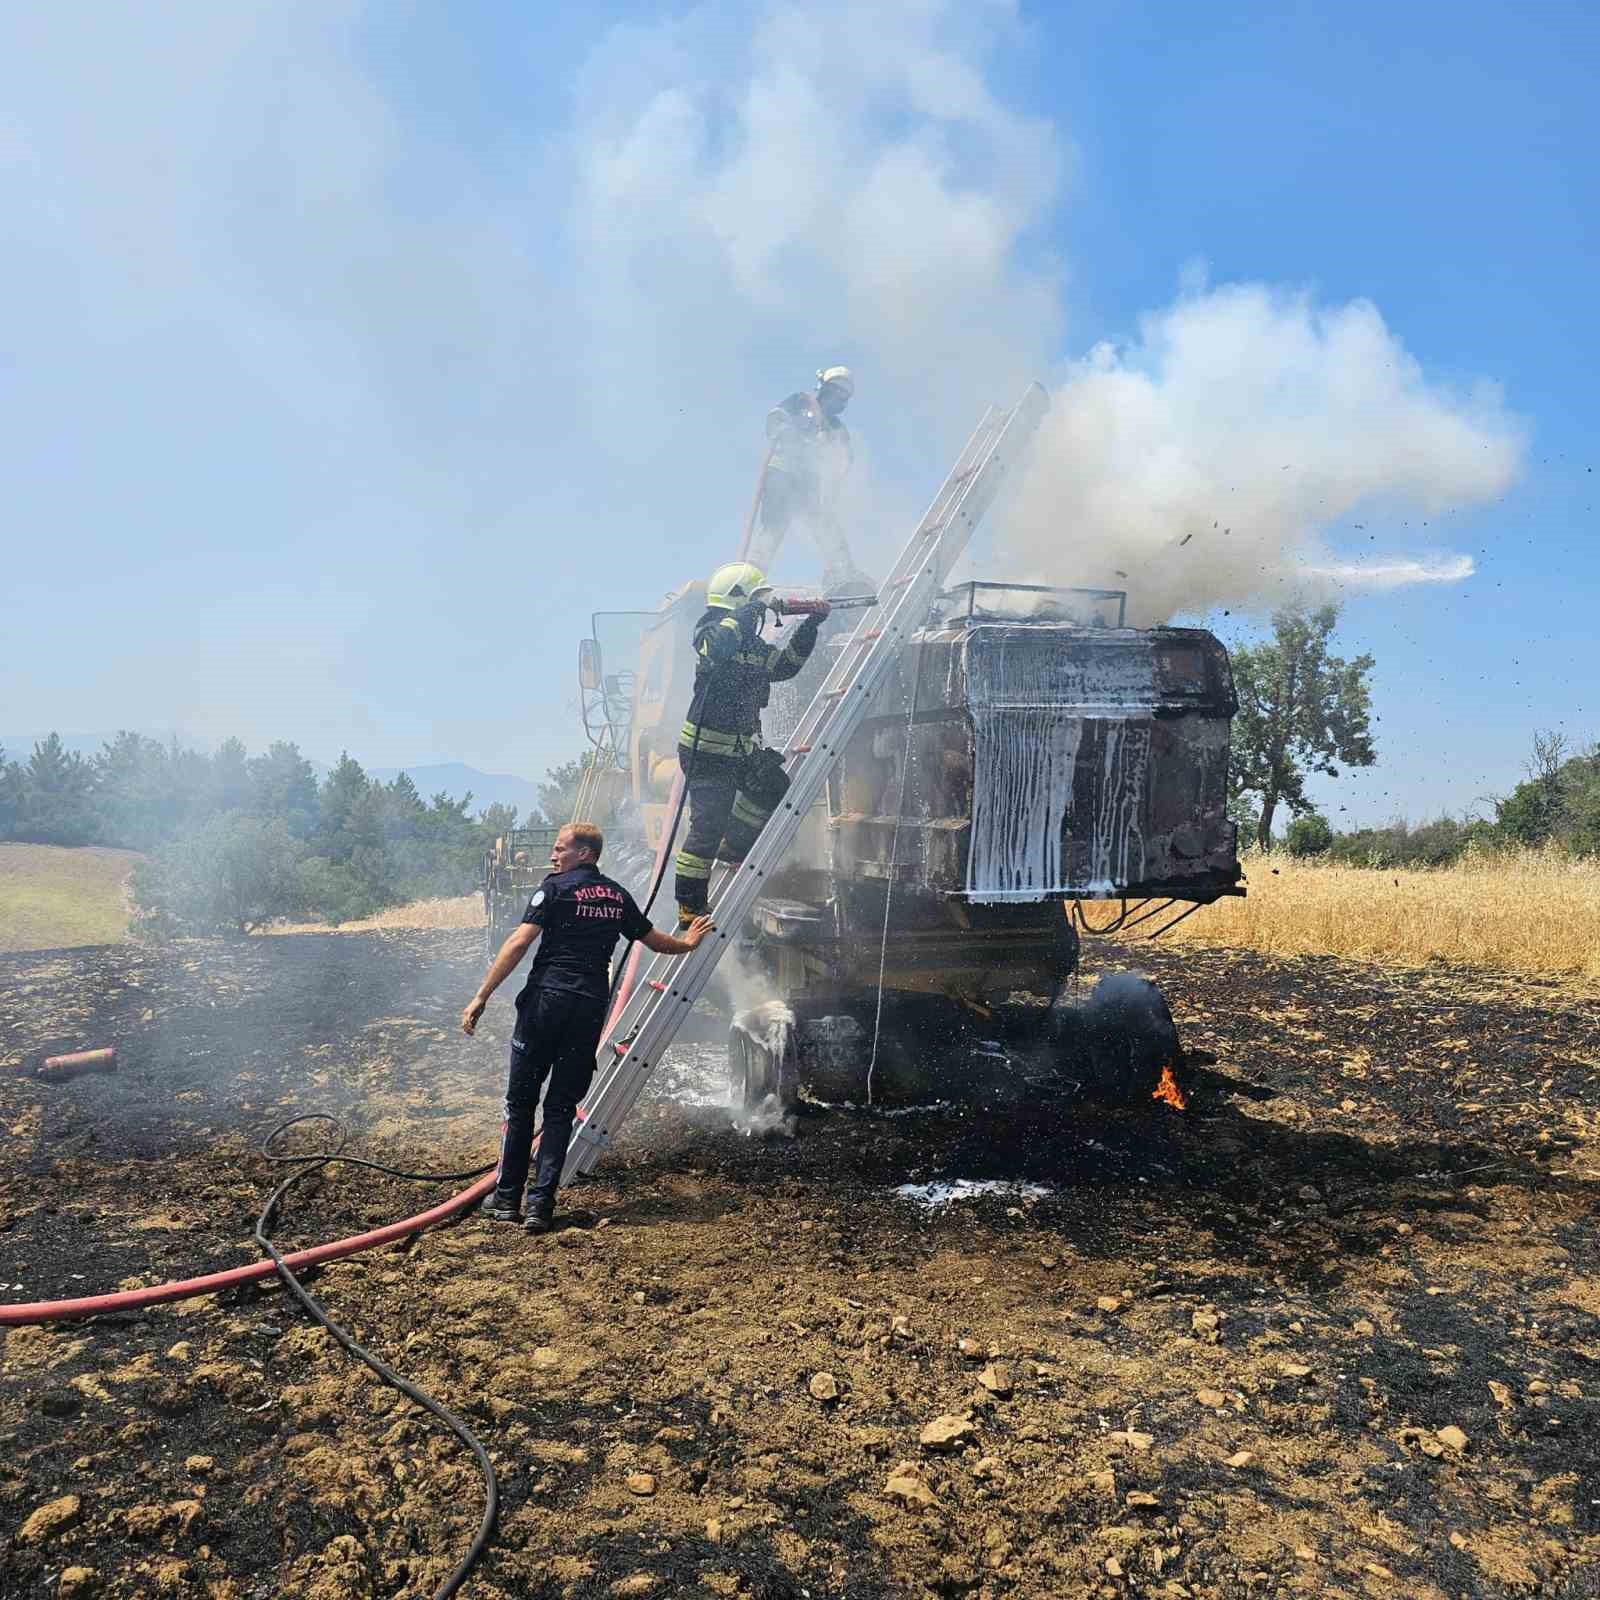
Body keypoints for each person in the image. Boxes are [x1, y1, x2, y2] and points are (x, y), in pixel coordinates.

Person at [462, 821, 712, 1232]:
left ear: (586, 853)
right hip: (588, 1009)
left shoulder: (554, 888)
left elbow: (520, 942)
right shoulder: (616, 895)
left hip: (547, 1002)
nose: (552, 855)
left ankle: (507, 1199)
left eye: (560, 848)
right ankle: (541, 1206)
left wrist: (482, 996)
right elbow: (652, 939)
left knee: (521, 1103)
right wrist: (688, 943)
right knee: (560, 1109)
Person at [673, 562, 828, 926]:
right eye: (756, 600)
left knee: (774, 786)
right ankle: (690, 906)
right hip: (706, 754)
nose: (762, 608)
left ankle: (734, 846)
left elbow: (785, 667)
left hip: (739, 753)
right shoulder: (710, 632)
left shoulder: (755, 646)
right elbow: (718, 648)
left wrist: (810, 627)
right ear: (738, 602)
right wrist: (747, 612)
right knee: (706, 828)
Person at [748, 365, 867, 589]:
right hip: (782, 474)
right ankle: (752, 577)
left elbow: (844, 460)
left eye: (844, 397)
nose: (838, 400)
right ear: (824, 388)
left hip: (809, 482)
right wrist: (788, 430)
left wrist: (833, 481)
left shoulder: (836, 428)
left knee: (825, 524)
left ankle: (844, 576)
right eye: (835, 392)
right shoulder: (800, 402)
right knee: (774, 526)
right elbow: (774, 420)